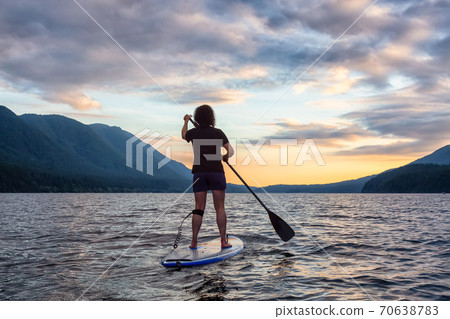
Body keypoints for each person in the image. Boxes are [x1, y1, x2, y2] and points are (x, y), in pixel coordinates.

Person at [181, 104, 234, 249]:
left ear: (197, 117)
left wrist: (186, 121)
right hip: (216, 172)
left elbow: (183, 135)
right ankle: (223, 241)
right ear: (212, 118)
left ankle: (194, 242)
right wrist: (224, 157)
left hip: (199, 173)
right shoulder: (218, 132)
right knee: (220, 208)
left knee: (198, 207)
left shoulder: (193, 132)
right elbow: (231, 151)